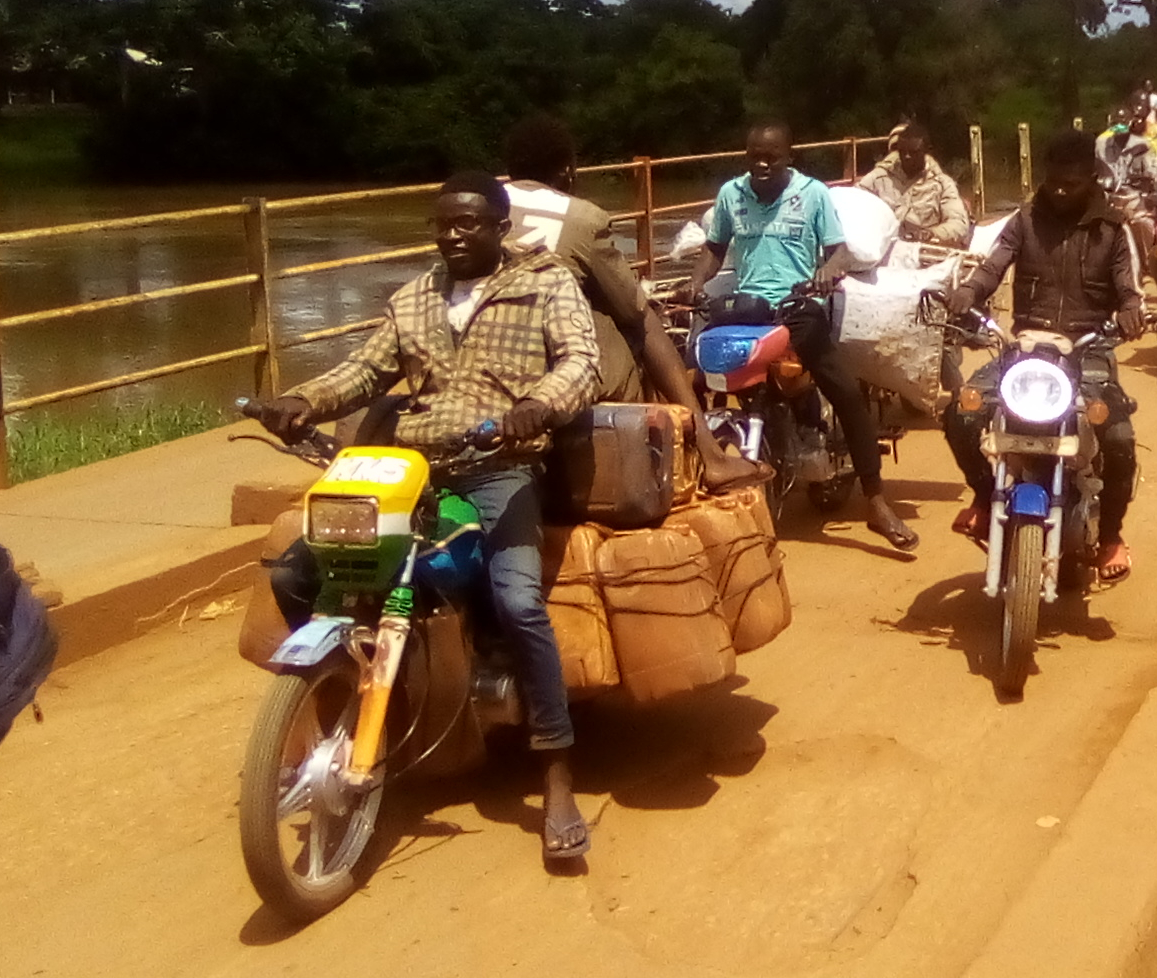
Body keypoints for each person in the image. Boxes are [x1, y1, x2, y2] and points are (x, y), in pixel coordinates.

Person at [251, 172, 601, 863]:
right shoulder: (413, 297)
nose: (452, 235)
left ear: (500, 227)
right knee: (297, 575)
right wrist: (302, 400)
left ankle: (556, 776)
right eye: (443, 224)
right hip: (411, 467)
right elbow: (363, 371)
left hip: (500, 466)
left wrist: (537, 407)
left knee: (519, 602)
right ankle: (350, 708)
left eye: (468, 223)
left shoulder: (546, 284)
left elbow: (580, 364)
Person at [498, 115, 762, 488]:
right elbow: (629, 305)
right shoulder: (583, 217)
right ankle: (709, 455)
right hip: (553, 370)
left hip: (486, 358)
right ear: (568, 171)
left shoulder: (484, 208)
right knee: (645, 321)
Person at [689, 123, 917, 552]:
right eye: (754, 156)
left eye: (771, 157)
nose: (762, 164)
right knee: (695, 376)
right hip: (749, 309)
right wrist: (695, 284)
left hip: (799, 307)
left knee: (846, 392)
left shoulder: (812, 194)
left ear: (788, 157)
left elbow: (838, 251)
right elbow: (714, 248)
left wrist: (827, 273)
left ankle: (875, 500)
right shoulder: (731, 194)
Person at [942, 130, 1147, 581]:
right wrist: (969, 292)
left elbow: (1131, 288)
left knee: (1117, 439)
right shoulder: (1025, 220)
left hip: (1089, 349)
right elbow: (992, 265)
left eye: (1071, 184)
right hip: (1026, 349)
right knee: (961, 413)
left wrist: (1132, 310)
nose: (1059, 191)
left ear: (1092, 179)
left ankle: (1111, 536)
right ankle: (984, 494)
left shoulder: (1114, 229)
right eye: (1053, 181)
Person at [858, 121, 972, 247]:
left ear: (926, 151)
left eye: (913, 152)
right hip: (880, 248)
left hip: (924, 251)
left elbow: (959, 224)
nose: (907, 157)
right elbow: (852, 206)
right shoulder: (878, 179)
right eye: (902, 152)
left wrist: (930, 234)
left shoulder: (943, 184)